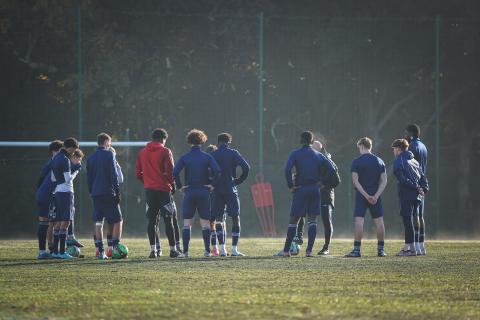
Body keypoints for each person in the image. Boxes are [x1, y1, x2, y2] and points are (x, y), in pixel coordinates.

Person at [280, 131, 335, 257]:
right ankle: (309, 251)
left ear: (301, 141)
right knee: (312, 220)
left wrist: (291, 186)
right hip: (315, 190)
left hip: (301, 189)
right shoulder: (318, 155)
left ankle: (286, 250)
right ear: (311, 141)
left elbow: (287, 169)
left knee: (294, 219)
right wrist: (322, 182)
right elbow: (331, 170)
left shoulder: (295, 154)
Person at [135, 128, 183, 258]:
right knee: (168, 220)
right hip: (163, 190)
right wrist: (172, 185)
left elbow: (137, 173)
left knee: (152, 220)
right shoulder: (165, 151)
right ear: (163, 139)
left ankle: (153, 250)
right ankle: (173, 250)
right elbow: (170, 172)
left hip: (149, 190)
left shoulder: (142, 152)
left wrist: (147, 182)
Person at [173, 129, 221, 257]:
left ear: (189, 141)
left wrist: (180, 187)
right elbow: (218, 172)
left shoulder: (185, 157)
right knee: (205, 223)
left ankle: (186, 252)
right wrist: (212, 185)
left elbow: (175, 172)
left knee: (187, 223)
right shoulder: (207, 156)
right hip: (204, 191)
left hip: (190, 191)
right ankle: (206, 251)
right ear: (202, 141)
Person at [345, 137, 387, 258]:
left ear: (362, 146)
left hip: (361, 196)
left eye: (359, 147)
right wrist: (375, 195)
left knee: (359, 221)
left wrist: (366, 195)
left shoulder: (356, 161)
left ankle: (357, 250)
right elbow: (384, 181)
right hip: (375, 196)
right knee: (379, 222)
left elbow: (355, 181)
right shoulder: (379, 161)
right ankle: (381, 250)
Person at [211, 133, 250, 257]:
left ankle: (222, 249)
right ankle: (234, 249)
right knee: (235, 218)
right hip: (230, 189)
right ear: (229, 142)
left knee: (219, 218)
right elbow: (246, 167)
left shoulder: (213, 154)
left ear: (218, 142)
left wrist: (212, 183)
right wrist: (238, 181)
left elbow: (208, 171)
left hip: (217, 190)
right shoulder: (233, 153)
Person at [87, 133, 123, 260]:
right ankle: (115, 248)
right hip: (108, 192)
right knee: (118, 221)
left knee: (98, 222)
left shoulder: (91, 157)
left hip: (96, 194)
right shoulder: (109, 154)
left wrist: (91, 192)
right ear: (106, 142)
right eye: (110, 142)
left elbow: (89, 178)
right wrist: (117, 192)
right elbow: (114, 175)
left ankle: (100, 252)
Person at [391, 139, 429, 256]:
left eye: (394, 149)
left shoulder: (398, 161)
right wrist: (424, 188)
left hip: (407, 194)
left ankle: (409, 249)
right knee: (414, 219)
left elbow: (402, 179)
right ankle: (416, 248)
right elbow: (423, 177)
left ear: (398, 149)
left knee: (408, 222)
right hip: (417, 196)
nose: (393, 151)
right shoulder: (414, 161)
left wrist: (416, 187)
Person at [50, 137, 80, 259]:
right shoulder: (65, 159)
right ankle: (62, 252)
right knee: (66, 222)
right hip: (66, 192)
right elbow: (68, 179)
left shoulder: (55, 157)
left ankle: (55, 252)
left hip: (57, 191)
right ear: (70, 148)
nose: (73, 153)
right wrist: (76, 171)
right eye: (74, 150)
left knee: (58, 223)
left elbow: (53, 178)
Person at [35, 140, 63, 259]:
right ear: (54, 151)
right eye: (61, 150)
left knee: (45, 222)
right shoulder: (55, 162)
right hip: (49, 195)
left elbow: (40, 179)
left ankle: (43, 251)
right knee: (53, 222)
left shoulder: (49, 163)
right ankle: (53, 250)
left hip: (42, 194)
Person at [405, 124, 428, 255]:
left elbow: (411, 167)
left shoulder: (412, 146)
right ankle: (421, 246)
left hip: (415, 185)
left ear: (411, 134)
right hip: (422, 184)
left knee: (414, 215)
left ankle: (415, 247)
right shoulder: (423, 146)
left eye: (406, 133)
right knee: (420, 215)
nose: (405, 136)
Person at [66, 149, 84, 249]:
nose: (79, 162)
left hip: (67, 192)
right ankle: (67, 239)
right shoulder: (66, 163)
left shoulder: (71, 164)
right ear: (73, 157)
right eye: (78, 159)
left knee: (71, 213)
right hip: (63, 192)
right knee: (66, 216)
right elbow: (69, 179)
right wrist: (76, 170)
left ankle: (70, 237)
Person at [205, 144, 221, 256]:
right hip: (218, 196)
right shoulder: (217, 165)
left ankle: (213, 249)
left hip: (206, 196)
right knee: (220, 222)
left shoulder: (204, 164)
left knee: (210, 224)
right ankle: (220, 249)